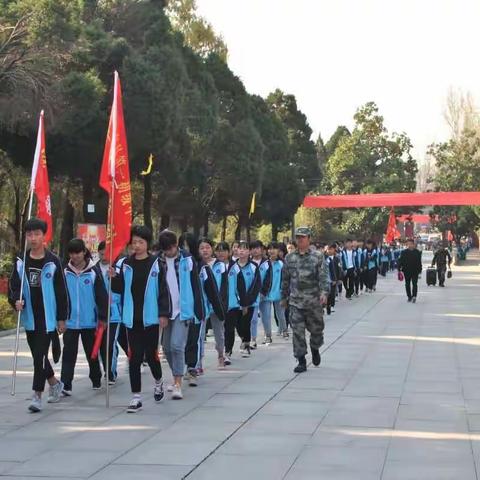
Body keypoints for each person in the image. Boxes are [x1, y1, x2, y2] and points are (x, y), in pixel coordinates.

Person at [8, 218, 68, 413]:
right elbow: (14, 286)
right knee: (38, 356)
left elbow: (61, 292)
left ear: (44, 236)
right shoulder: (20, 261)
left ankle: (36, 395)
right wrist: (15, 300)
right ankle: (54, 383)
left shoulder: (53, 262)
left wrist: (61, 317)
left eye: (36, 234)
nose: (33, 238)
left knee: (39, 357)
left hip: (47, 317)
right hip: (30, 316)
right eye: (29, 234)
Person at [111, 225, 169, 412]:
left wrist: (163, 313)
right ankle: (136, 396)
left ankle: (158, 381)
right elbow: (120, 288)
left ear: (147, 244)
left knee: (152, 356)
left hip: (151, 318)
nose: (136, 245)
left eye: (140, 242)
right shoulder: (125, 264)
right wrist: (113, 278)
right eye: (134, 242)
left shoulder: (157, 264)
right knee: (134, 357)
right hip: (131, 318)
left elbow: (163, 291)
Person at [158, 230, 204, 396]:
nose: (168, 253)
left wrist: (199, 310)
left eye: (170, 249)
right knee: (167, 348)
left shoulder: (188, 260)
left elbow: (195, 285)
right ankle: (176, 373)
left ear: (176, 246)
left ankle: (178, 382)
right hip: (165, 310)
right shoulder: (158, 261)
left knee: (177, 345)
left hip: (182, 309)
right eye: (165, 250)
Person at [61, 239, 108, 395]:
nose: (75, 256)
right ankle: (66, 384)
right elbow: (60, 296)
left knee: (92, 353)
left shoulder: (94, 271)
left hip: (90, 321)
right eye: (72, 253)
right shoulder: (64, 272)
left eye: (78, 252)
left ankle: (96, 378)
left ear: (84, 252)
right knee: (68, 354)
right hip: (70, 321)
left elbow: (102, 296)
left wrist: (102, 317)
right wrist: (60, 318)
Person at [281, 227, 329, 373]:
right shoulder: (289, 258)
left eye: (303, 237)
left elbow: (323, 277)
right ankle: (301, 359)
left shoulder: (318, 256)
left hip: (313, 301)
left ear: (309, 238)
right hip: (296, 302)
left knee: (316, 331)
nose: (300, 239)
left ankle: (315, 348)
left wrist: (324, 293)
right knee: (297, 332)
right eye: (298, 237)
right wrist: (283, 297)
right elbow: (285, 280)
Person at [96, 241, 127, 383]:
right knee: (101, 344)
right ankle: (105, 367)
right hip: (97, 314)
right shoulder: (93, 269)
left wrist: (115, 277)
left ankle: (110, 372)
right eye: (101, 253)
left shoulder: (117, 269)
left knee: (110, 342)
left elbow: (122, 288)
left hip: (114, 313)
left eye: (107, 253)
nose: (104, 256)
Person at [198, 238, 228, 369]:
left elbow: (224, 286)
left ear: (212, 249)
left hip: (216, 303)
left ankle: (221, 354)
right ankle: (198, 362)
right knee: (199, 335)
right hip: (202, 304)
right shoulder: (196, 265)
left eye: (207, 247)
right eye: (202, 248)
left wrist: (221, 303)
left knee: (219, 333)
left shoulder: (220, 265)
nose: (205, 250)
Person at [229, 241, 261, 358]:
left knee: (246, 322)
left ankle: (247, 344)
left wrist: (247, 302)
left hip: (250, 301)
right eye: (239, 248)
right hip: (235, 301)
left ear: (249, 252)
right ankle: (244, 340)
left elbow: (256, 285)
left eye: (244, 249)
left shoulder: (253, 266)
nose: (241, 251)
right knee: (237, 324)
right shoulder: (232, 266)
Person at [260, 242, 288, 340]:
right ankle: (268, 335)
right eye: (270, 249)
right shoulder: (264, 264)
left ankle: (284, 330)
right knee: (266, 316)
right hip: (266, 294)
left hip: (279, 294)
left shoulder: (282, 263)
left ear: (278, 251)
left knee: (280, 314)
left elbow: (286, 279)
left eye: (274, 249)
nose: (271, 251)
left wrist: (285, 292)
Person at [398, 238, 422, 303]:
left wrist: (420, 271)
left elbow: (419, 262)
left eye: (411, 244)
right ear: (407, 244)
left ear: (413, 244)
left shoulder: (417, 252)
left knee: (414, 284)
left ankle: (414, 296)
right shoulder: (404, 252)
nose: (410, 245)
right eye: (408, 244)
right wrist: (399, 268)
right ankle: (409, 296)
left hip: (415, 271)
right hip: (406, 271)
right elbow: (400, 261)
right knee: (407, 284)